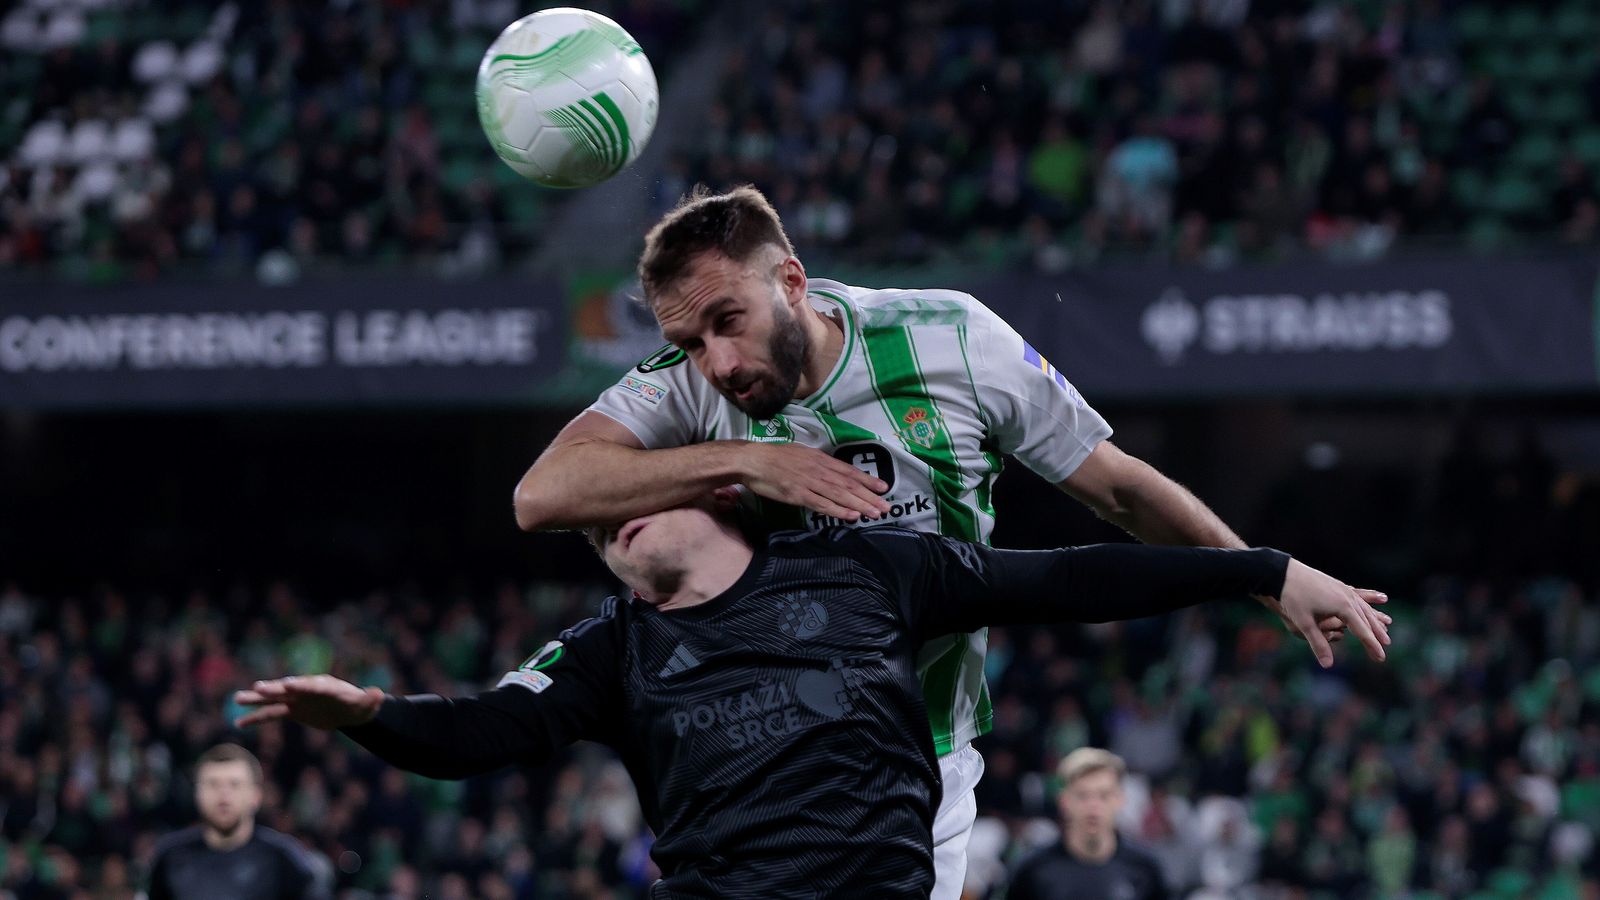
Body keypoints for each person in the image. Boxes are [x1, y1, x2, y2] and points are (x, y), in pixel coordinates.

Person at [510, 185, 1374, 898]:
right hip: (763, 765)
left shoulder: (950, 336)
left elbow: (1115, 487)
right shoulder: (695, 390)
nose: (717, 364)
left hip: (921, 762)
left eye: (728, 322)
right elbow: (543, 495)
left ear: (793, 281)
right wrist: (751, 462)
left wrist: (1264, 574)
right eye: (689, 343)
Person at [236, 498, 1388, 899]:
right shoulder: (607, 648)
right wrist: (368, 714)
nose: (607, 528)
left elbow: (1075, 579)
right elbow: (482, 730)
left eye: (628, 502)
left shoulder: (872, 570)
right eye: (591, 533)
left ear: (712, 490)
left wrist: (1263, 568)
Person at [144, 743, 329, 900]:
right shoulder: (170, 856)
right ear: (197, 794)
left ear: (255, 795)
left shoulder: (284, 859)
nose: (224, 794)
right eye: (213, 784)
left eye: (234, 784)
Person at [1006, 748, 1169, 900]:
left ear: (1120, 799)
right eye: (1082, 795)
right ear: (1064, 800)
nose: (1093, 805)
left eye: (1103, 795)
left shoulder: (1145, 868)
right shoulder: (1032, 870)